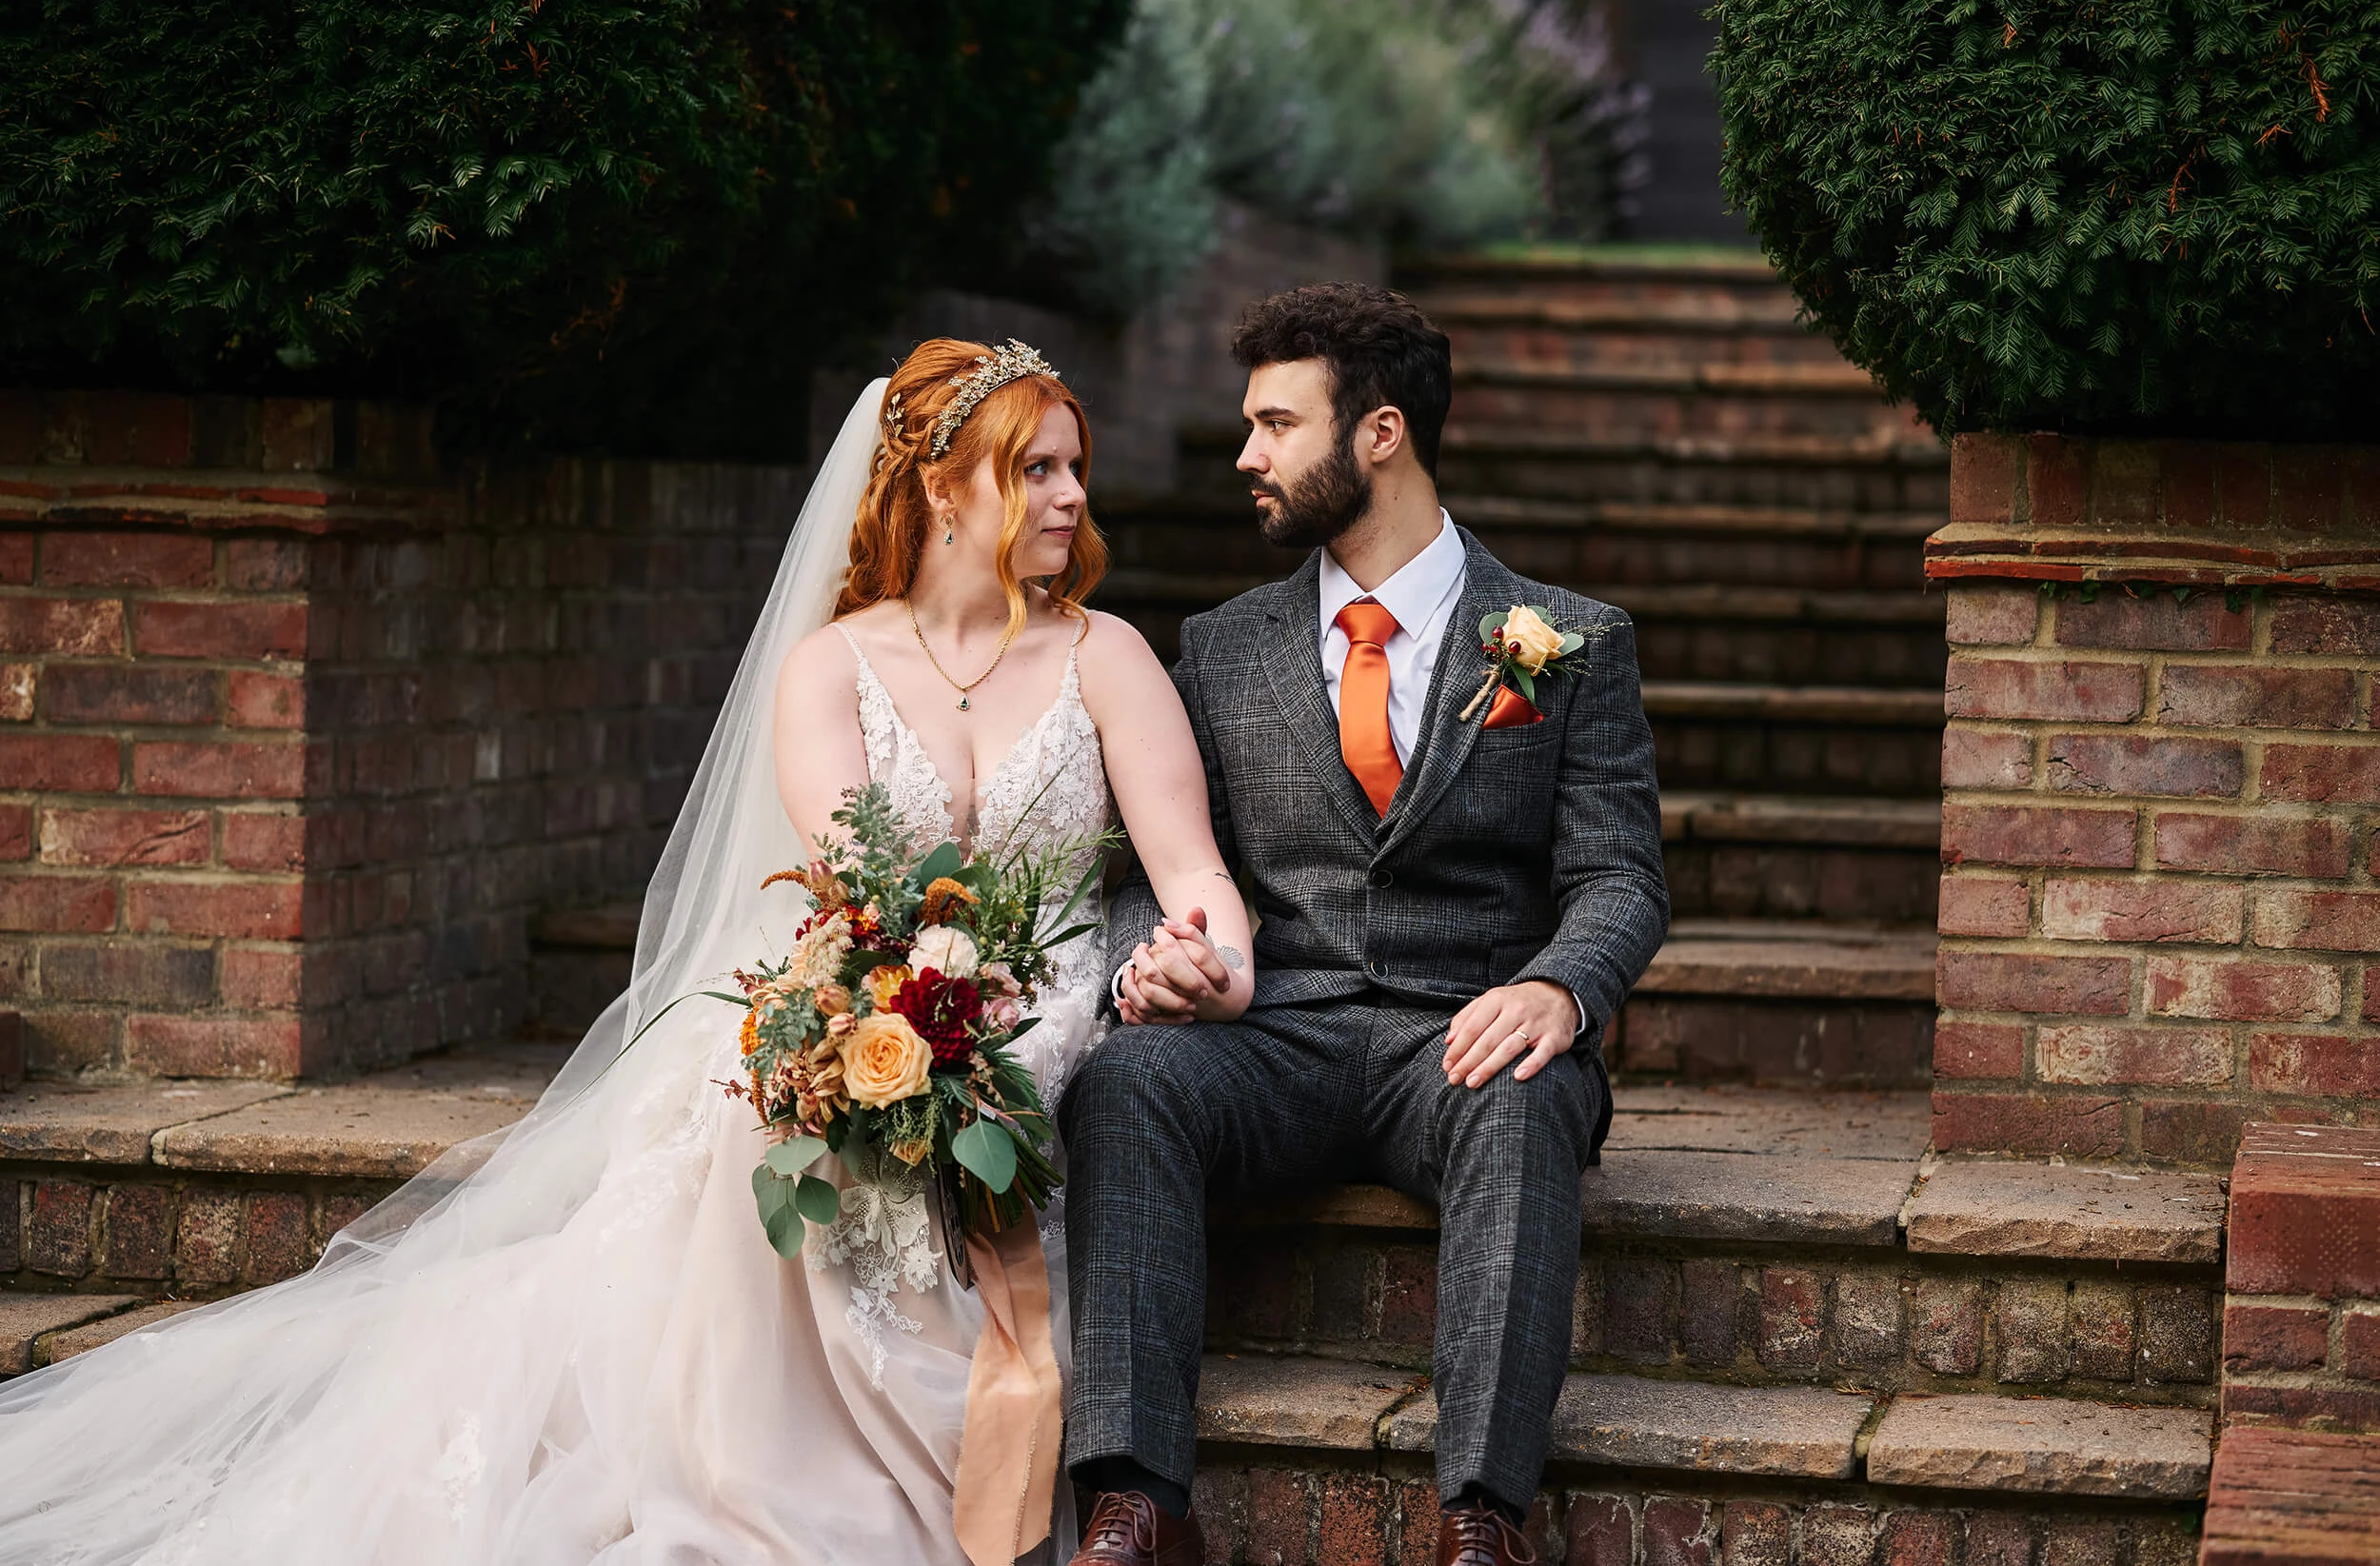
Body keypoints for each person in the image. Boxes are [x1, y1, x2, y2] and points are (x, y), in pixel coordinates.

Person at [0, 337, 1252, 1566]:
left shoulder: (1107, 655)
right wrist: (903, 1028)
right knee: (768, 1119)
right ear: (940, 487)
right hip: (889, 1003)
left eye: (1073, 467)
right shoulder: (833, 668)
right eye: (1035, 468)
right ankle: (768, 1461)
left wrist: (1214, 961)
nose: (1071, 495)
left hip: (1052, 1023)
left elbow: (1194, 872)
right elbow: (857, 896)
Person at [1060, 285, 1669, 1566]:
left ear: (1380, 432)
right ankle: (1136, 1504)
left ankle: (1482, 1520)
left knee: (1526, 1098)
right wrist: (1159, 957)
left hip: (1463, 1039)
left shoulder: (1572, 643)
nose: (1247, 454)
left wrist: (1561, 988)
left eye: (1277, 424)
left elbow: (1622, 877)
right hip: (1272, 1037)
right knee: (1125, 1082)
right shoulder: (1223, 648)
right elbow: (1155, 863)